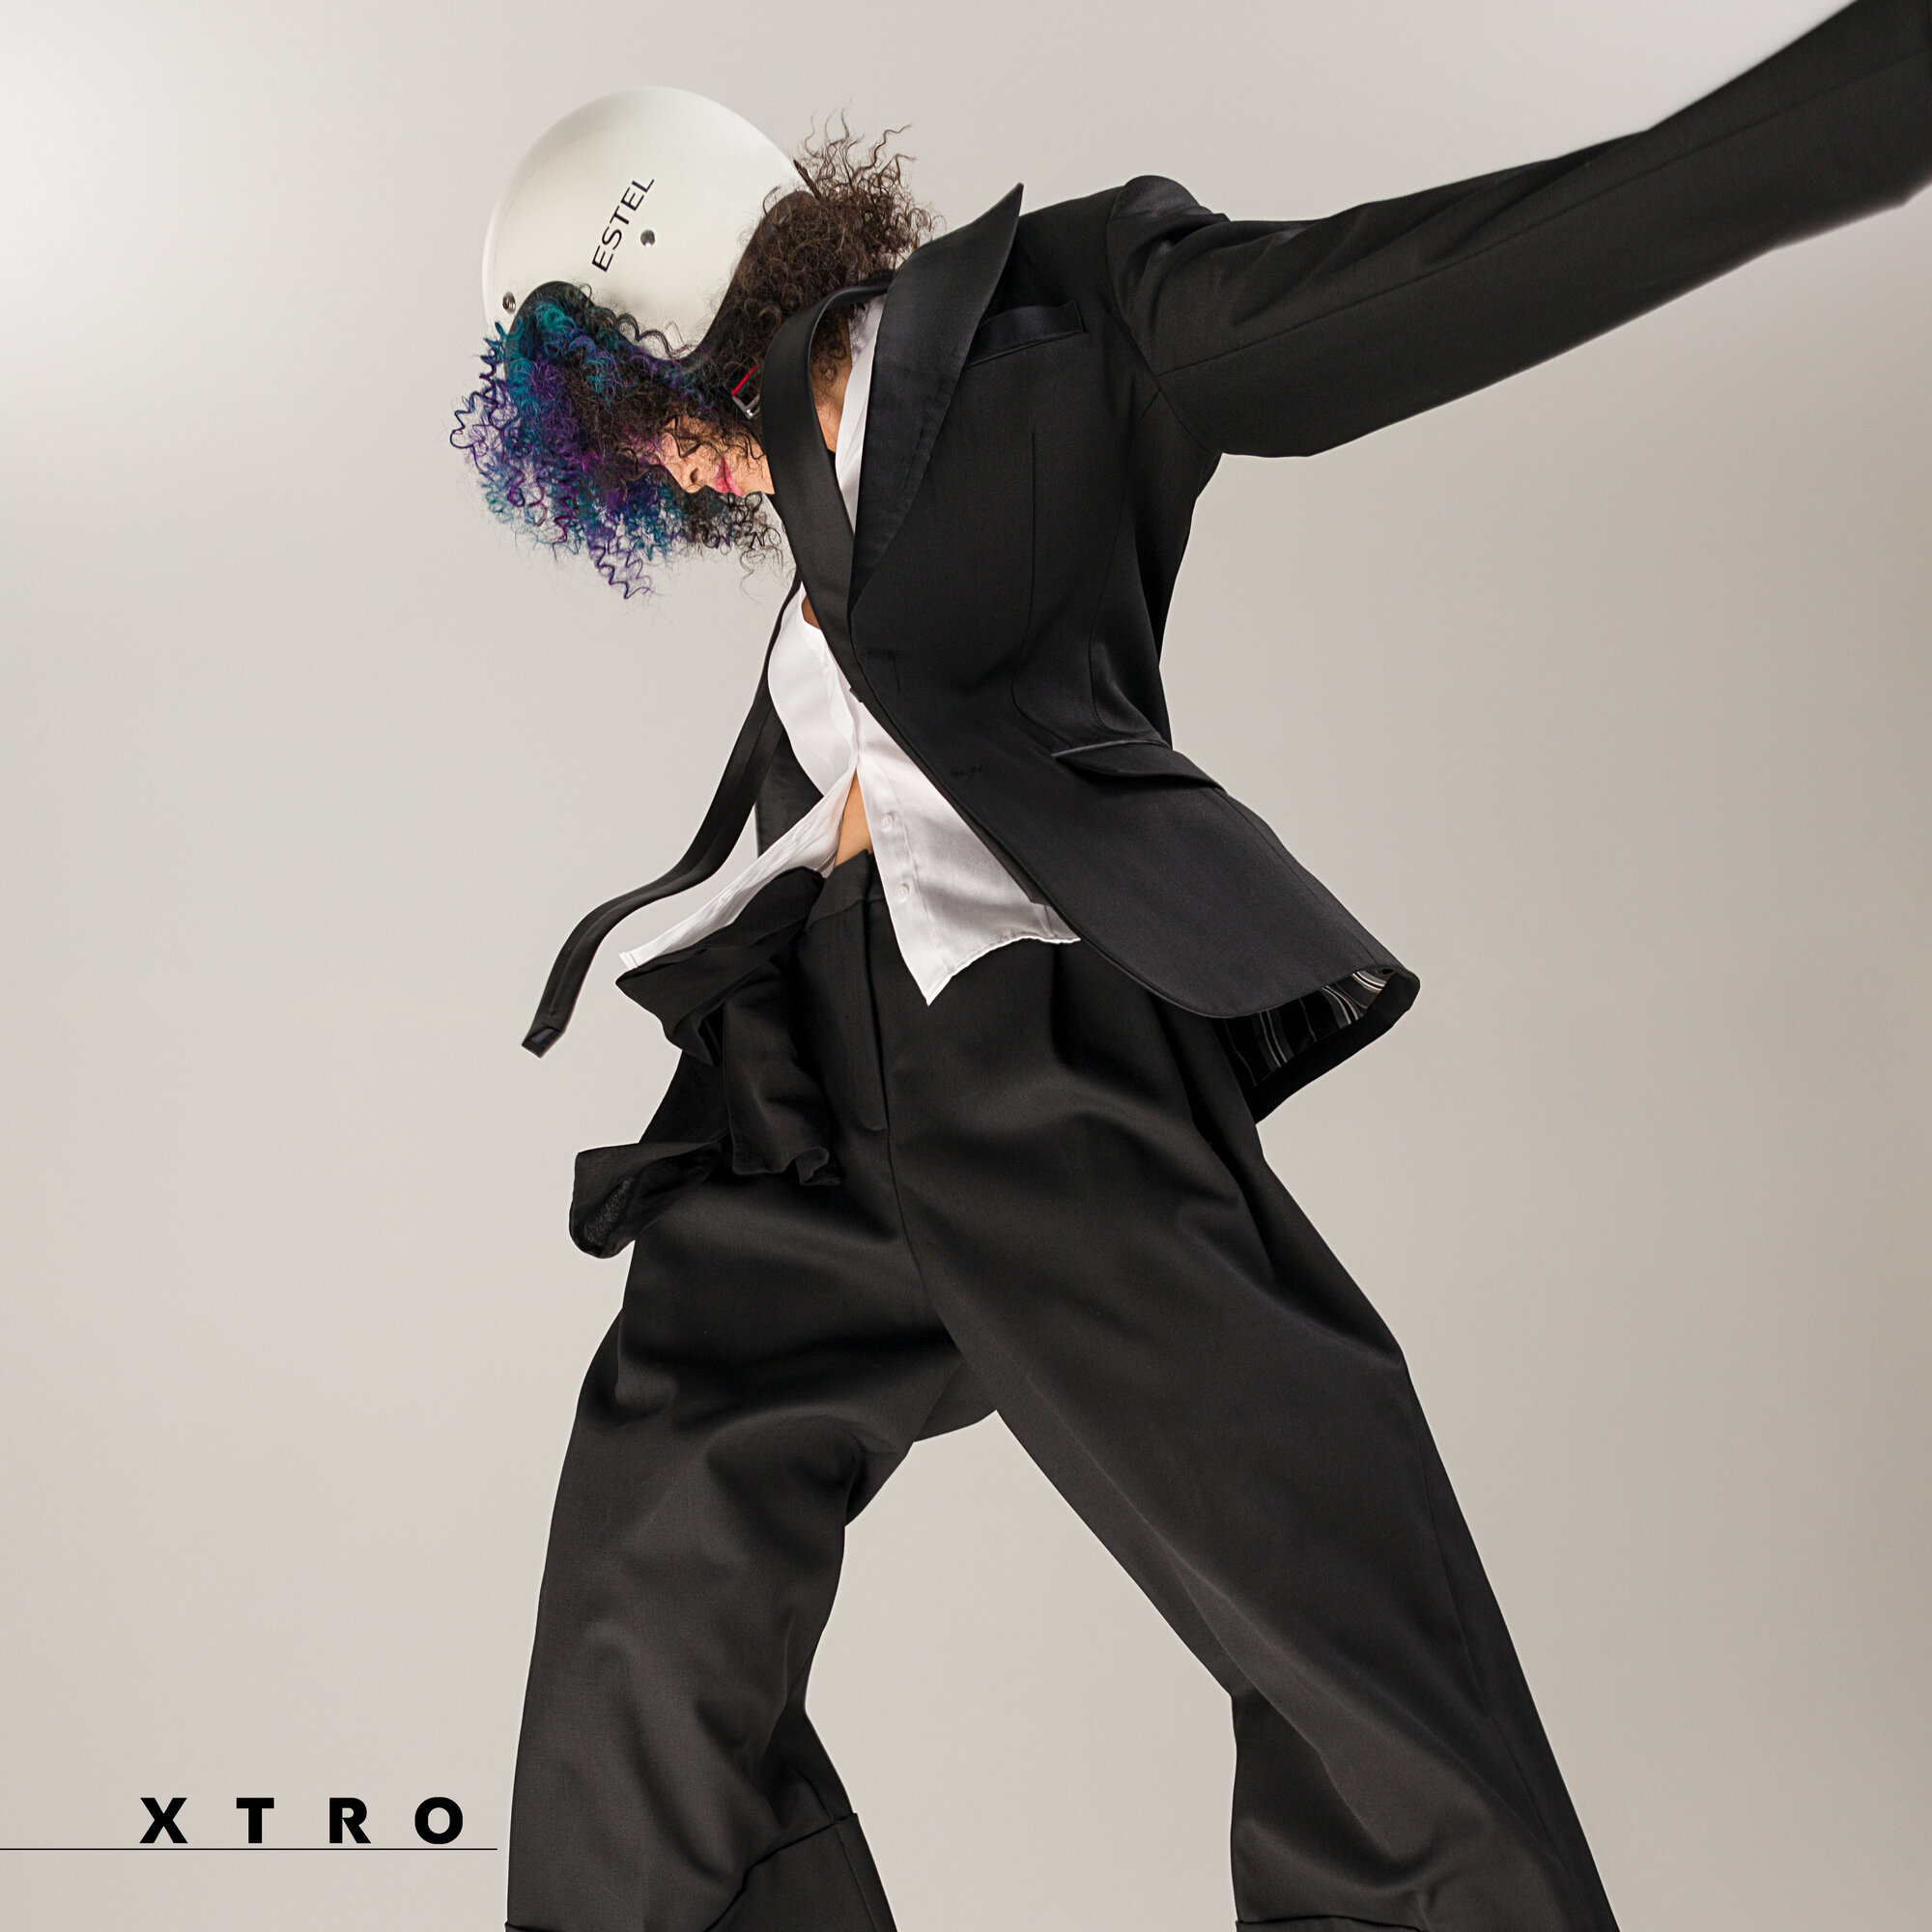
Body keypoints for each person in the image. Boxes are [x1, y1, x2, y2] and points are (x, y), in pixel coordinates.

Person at [454, 10, 1932, 1930]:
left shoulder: (1074, 317)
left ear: (678, 290)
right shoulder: (811, 534)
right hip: (790, 1103)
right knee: (644, 1606)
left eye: (627, 409)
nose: (657, 467)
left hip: (1030, 1061)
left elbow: (1494, 258)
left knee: (1325, 1615)